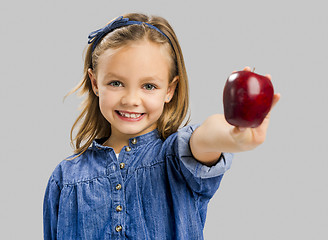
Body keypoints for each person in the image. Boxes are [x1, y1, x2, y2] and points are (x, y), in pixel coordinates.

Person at [43, 13, 280, 240]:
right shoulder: (65, 179)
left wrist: (232, 134)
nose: (131, 99)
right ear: (95, 83)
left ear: (170, 89)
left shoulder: (177, 159)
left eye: (148, 86)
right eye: (116, 83)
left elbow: (206, 137)